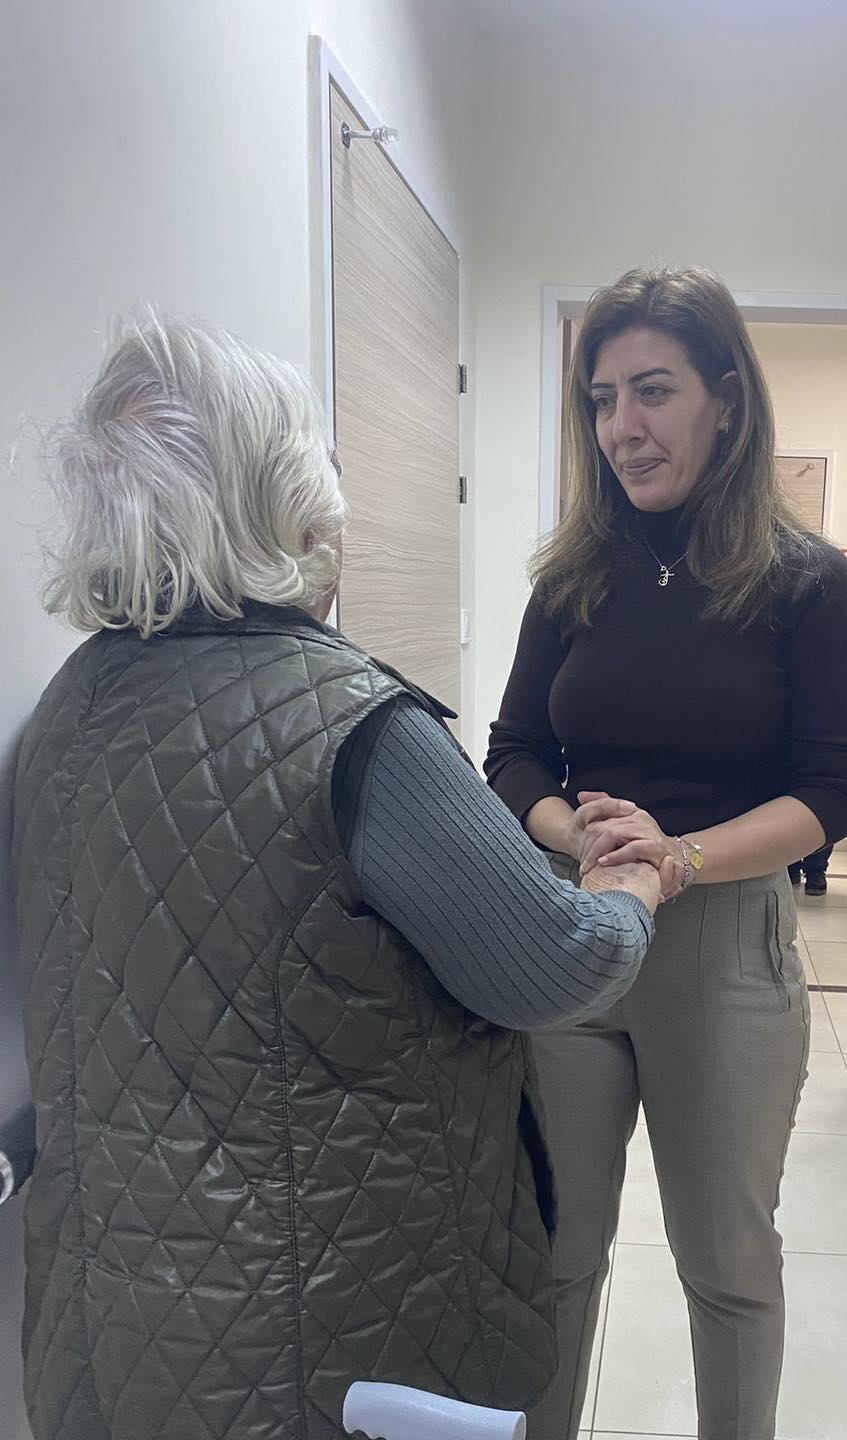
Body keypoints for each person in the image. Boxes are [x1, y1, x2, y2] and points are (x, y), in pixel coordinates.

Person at [12, 314, 665, 1440]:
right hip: (323, 1322)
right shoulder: (354, 729)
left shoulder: (67, 709)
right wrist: (633, 888)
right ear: (288, 503)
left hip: (111, 1313)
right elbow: (555, 968)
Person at [486, 266, 847, 1440]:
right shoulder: (571, 578)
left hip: (721, 949)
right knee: (555, 1254)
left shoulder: (803, 581)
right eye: (602, 399)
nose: (623, 426)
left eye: (652, 390)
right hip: (571, 939)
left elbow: (835, 791)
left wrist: (677, 859)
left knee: (727, 1264)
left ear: (726, 399)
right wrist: (581, 836)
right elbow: (513, 756)